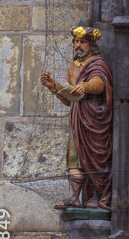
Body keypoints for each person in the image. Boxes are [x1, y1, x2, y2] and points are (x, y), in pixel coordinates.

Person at [41, 24, 113, 209]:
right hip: (76, 117)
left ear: (91, 45)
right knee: (75, 157)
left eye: (82, 42)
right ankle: (74, 197)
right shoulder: (73, 67)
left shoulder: (98, 63)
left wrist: (86, 86)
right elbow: (68, 100)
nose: (78, 45)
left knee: (96, 158)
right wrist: (54, 86)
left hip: (94, 118)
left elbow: (99, 83)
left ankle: (98, 196)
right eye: (76, 42)